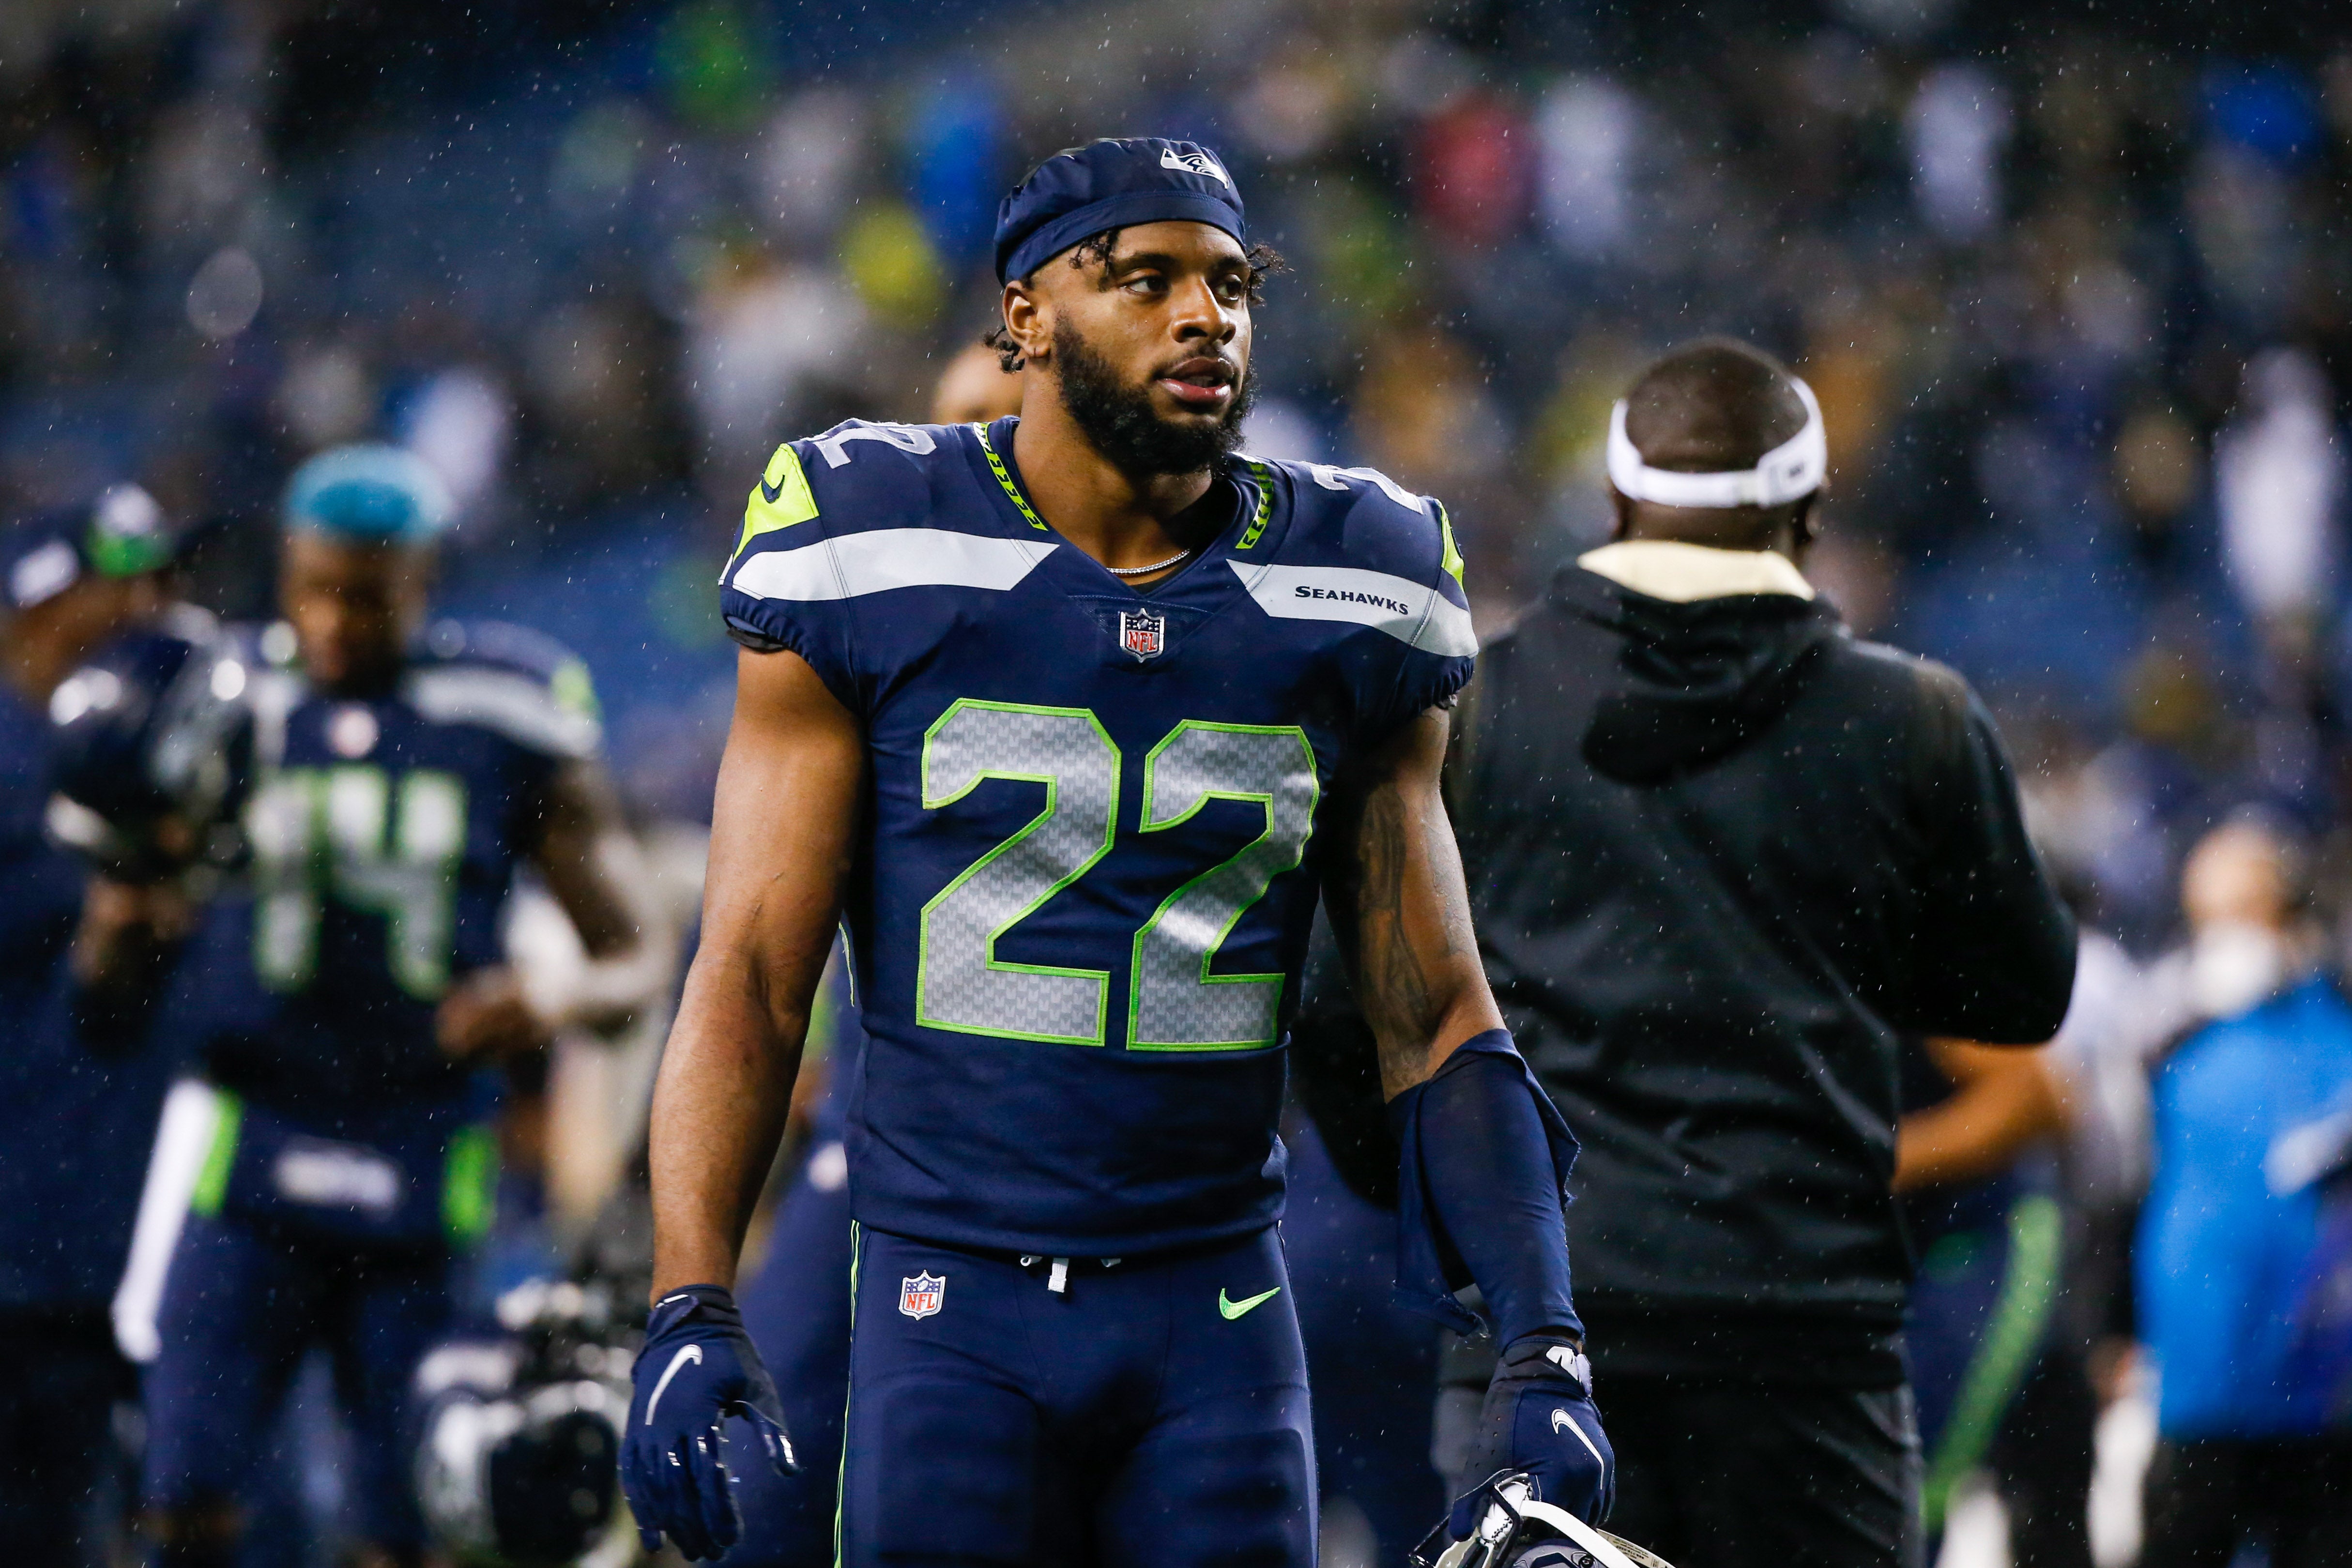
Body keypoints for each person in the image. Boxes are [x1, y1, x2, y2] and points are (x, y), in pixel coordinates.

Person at [621, 136, 1612, 1567]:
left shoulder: (1354, 578)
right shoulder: (871, 542)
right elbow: (756, 975)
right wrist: (689, 1296)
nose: (1204, 316)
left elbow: (1436, 1015)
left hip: (1213, 1312)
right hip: (948, 1306)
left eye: (1230, 284)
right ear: (1024, 318)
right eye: (1145, 280)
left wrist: (1542, 1339)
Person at [1443, 337, 2077, 1568]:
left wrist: (1477, 1214)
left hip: (1541, 1329)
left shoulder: (1478, 706)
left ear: (1615, 498)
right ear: (1808, 510)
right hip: (1803, 1333)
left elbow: (1352, 1012)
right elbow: (2022, 999)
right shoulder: (1911, 720)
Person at [122, 444, 650, 1568]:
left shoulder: (501, 706)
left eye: (366, 597)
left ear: (424, 581)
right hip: (248, 1137)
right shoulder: (226, 696)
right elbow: (132, 881)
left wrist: (551, 992)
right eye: (312, 588)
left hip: (425, 1148)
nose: (332, 623)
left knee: (407, 1528)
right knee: (181, 1495)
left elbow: (633, 952)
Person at [0, 488, 176, 1566]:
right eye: (118, 585)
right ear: (41, 605)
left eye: (157, 581)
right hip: (28, 1241)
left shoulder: (168, 752)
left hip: (150, 1225)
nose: (147, 609)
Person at [2136, 816, 2352, 1568]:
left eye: (2244, 911)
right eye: (2208, 917)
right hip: (2200, 1372)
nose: (2224, 936)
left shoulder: (2335, 1027)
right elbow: (2127, 1184)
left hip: (2320, 1383)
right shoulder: (2171, 1033)